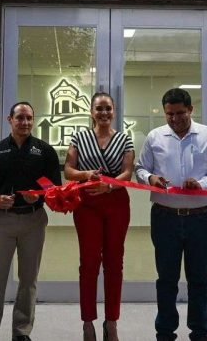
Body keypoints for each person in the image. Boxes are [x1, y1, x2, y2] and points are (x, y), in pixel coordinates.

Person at [135, 88, 207, 341]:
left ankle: (199, 331)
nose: (174, 119)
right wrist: (151, 177)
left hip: (200, 217)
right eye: (169, 114)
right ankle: (165, 331)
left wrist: (204, 183)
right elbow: (141, 169)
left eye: (180, 114)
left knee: (199, 279)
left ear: (191, 110)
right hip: (165, 217)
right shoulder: (155, 137)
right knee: (167, 278)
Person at [0, 102, 61, 341]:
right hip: (1, 222)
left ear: (33, 121)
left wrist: (40, 194)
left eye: (29, 118)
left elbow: (55, 187)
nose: (24, 123)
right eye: (20, 118)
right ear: (9, 120)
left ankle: (22, 331)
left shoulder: (44, 151)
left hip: (34, 220)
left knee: (28, 280)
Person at [63, 92, 135, 341]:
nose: (104, 113)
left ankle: (111, 322)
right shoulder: (80, 137)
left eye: (108, 109)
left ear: (113, 111)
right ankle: (88, 323)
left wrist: (110, 185)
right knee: (89, 262)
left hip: (116, 203)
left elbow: (128, 172)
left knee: (115, 262)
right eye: (99, 109)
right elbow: (68, 170)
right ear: (91, 111)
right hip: (87, 204)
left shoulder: (125, 139)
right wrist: (86, 175)